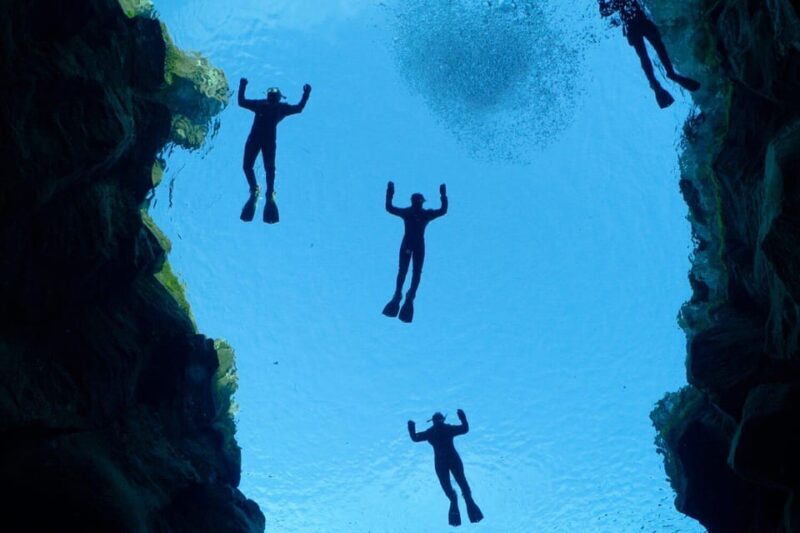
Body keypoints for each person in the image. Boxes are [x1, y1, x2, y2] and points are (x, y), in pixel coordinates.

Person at [599, 0, 700, 108]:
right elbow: (606, 11)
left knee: (645, 56)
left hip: (633, 28)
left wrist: (601, 3)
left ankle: (656, 83)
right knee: (657, 48)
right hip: (641, 23)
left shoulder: (616, 3)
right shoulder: (617, 2)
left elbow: (605, 11)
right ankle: (668, 75)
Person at [238, 78, 311, 223]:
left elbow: (242, 101)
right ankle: (262, 191)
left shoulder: (269, 106)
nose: (272, 95)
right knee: (257, 168)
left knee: (258, 168)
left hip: (259, 140)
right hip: (263, 140)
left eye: (274, 93)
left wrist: (243, 85)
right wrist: (306, 94)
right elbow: (299, 108)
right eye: (271, 93)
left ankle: (261, 191)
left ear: (277, 98)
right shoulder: (270, 106)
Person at [383, 181, 448, 323]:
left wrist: (443, 195)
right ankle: (401, 295)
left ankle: (407, 295)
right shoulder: (419, 213)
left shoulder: (420, 214)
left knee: (411, 272)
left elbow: (443, 211)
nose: (418, 203)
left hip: (413, 244)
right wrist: (390, 192)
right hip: (413, 244)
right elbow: (389, 208)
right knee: (407, 271)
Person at [408, 410, 483, 527]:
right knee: (461, 483)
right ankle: (464, 501)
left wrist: (411, 426)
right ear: (442, 420)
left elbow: (415, 437)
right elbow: (465, 428)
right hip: (452, 459)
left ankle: (457, 500)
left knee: (451, 486)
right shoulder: (447, 429)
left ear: (433, 421)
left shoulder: (431, 432)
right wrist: (462, 417)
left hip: (441, 462)